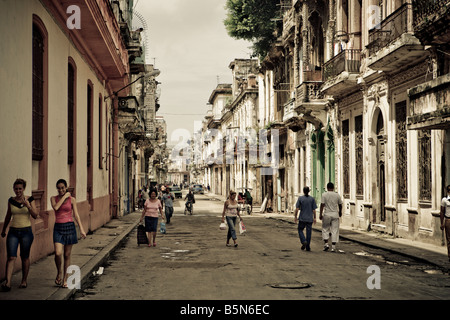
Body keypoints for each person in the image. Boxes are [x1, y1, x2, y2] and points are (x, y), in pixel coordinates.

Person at [1, 179, 38, 291]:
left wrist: (28, 206)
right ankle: (8, 283)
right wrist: (3, 230)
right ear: (13, 189)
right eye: (16, 188)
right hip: (13, 232)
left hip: (26, 232)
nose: (18, 191)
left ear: (23, 189)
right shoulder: (11, 201)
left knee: (24, 257)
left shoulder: (30, 199)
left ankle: (24, 280)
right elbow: (8, 216)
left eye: (20, 189)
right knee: (11, 256)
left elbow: (35, 215)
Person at [51, 179, 86, 288]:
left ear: (66, 187)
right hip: (58, 228)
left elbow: (76, 215)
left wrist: (81, 229)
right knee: (58, 253)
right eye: (59, 188)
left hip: (70, 227)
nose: (61, 190)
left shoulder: (72, 200)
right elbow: (56, 208)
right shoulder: (53, 199)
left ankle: (65, 279)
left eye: (63, 188)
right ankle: (59, 273)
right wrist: (65, 197)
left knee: (67, 255)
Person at [319, 182, 343, 252]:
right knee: (335, 230)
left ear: (327, 187)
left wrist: (320, 214)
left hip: (327, 214)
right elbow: (340, 204)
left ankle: (326, 244)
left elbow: (322, 205)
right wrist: (340, 211)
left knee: (325, 229)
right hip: (335, 214)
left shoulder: (324, 195)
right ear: (333, 188)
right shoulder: (337, 195)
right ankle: (333, 247)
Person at [294, 186, 317, 251]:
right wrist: (315, 218)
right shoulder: (312, 199)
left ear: (303, 191)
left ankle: (303, 241)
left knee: (300, 229)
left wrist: (295, 216)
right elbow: (314, 210)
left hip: (302, 218)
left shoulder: (300, 198)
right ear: (308, 191)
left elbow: (297, 208)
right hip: (310, 218)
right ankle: (308, 246)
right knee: (309, 232)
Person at [440, 185, 450, 262]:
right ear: (447, 191)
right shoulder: (444, 200)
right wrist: (442, 223)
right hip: (448, 220)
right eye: (449, 190)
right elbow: (442, 212)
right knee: (449, 239)